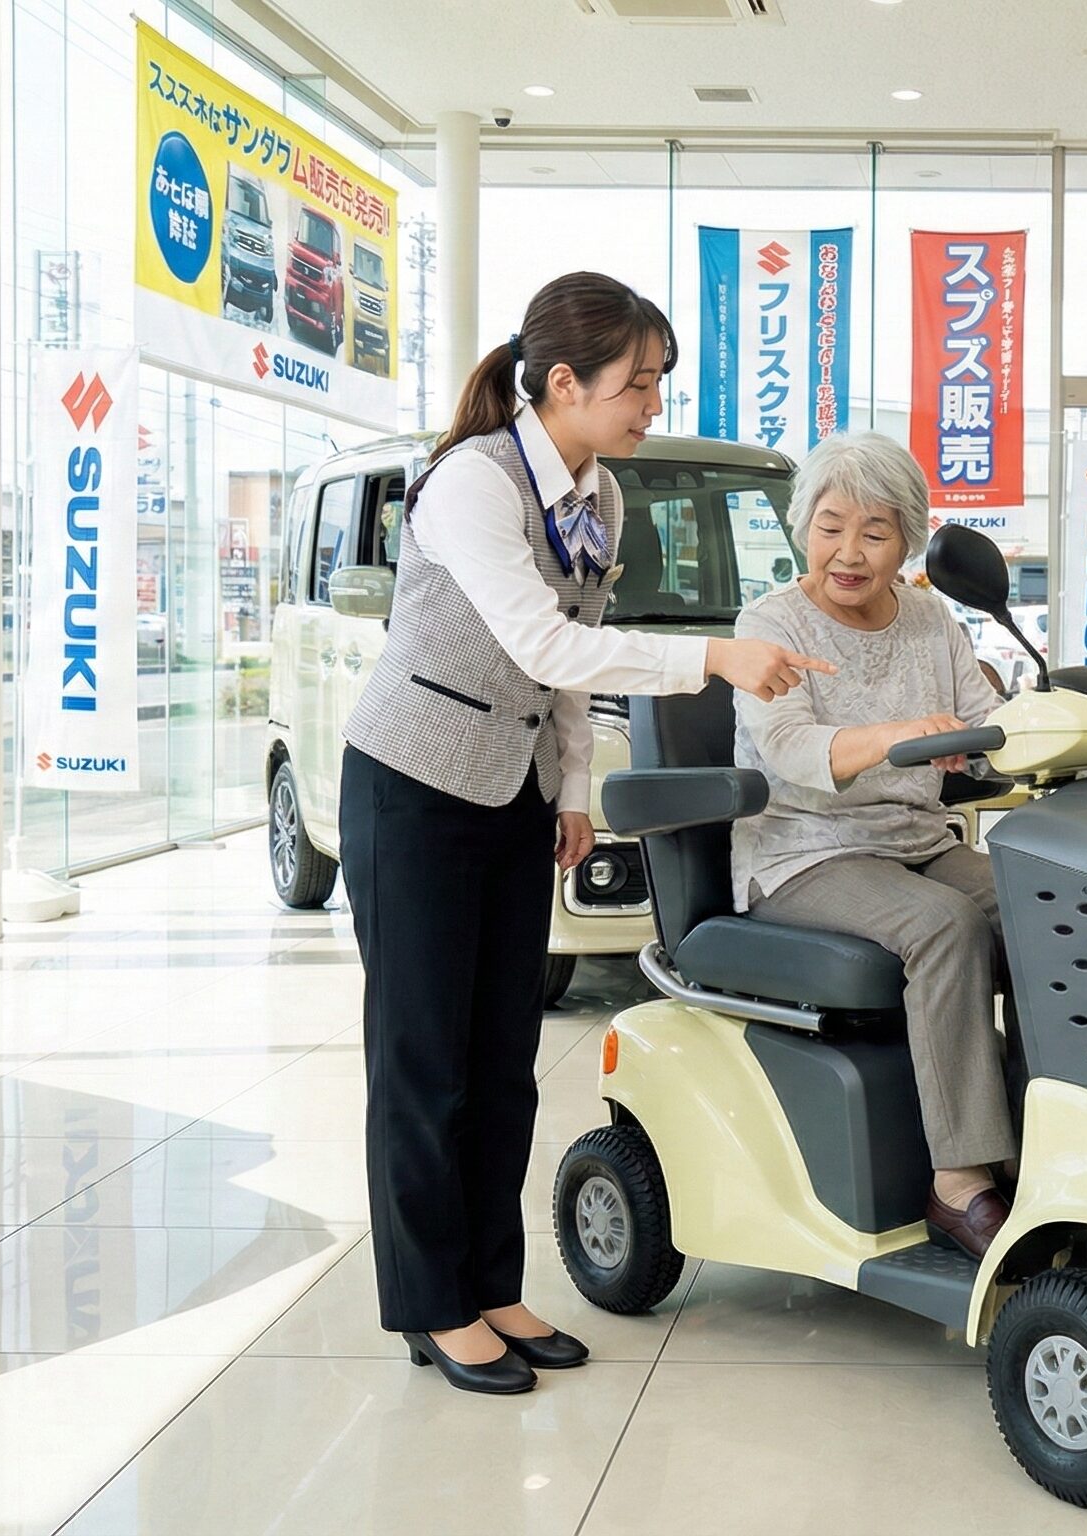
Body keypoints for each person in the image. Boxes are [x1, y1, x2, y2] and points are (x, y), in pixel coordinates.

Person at [340, 273, 830, 1396]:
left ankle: (493, 1284)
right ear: (564, 382)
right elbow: (542, 644)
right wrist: (710, 656)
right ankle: (430, 1304)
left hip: (509, 788)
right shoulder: (471, 483)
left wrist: (567, 791)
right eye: (637, 383)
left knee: (504, 1056)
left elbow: (570, 655)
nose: (649, 403)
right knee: (424, 1060)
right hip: (410, 785)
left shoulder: (597, 495)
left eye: (656, 381)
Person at [728, 431, 1017, 1259]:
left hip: (916, 837)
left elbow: (978, 720)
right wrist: (901, 736)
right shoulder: (771, 623)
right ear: (801, 527)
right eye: (830, 526)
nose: (848, 553)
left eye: (874, 533)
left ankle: (1042, 1145)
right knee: (944, 927)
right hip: (805, 851)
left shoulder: (930, 617)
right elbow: (791, 751)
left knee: (1048, 911)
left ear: (908, 541)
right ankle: (959, 1183)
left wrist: (1008, 726)